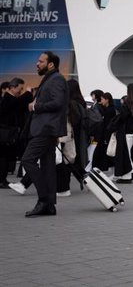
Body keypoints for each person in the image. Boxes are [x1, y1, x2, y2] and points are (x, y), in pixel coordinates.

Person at [21, 51, 68, 217]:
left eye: (40, 61)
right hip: (47, 129)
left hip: (46, 129)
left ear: (51, 64)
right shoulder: (51, 78)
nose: (37, 63)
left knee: (27, 160)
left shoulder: (56, 79)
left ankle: (43, 199)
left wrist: (35, 106)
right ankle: (49, 205)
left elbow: (57, 103)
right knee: (48, 166)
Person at [0, 78, 31, 187]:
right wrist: (28, 93)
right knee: (3, 157)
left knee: (5, 156)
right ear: (12, 87)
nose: (21, 91)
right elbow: (19, 103)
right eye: (20, 89)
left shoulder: (9, 98)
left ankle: (3, 179)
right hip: (5, 133)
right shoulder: (8, 98)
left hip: (8, 133)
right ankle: (1, 180)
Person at [91, 91, 115, 172]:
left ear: (107, 100)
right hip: (105, 133)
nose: (101, 101)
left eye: (102, 99)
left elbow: (107, 124)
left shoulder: (109, 110)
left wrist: (105, 136)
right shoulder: (109, 109)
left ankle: (101, 166)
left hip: (105, 134)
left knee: (102, 151)